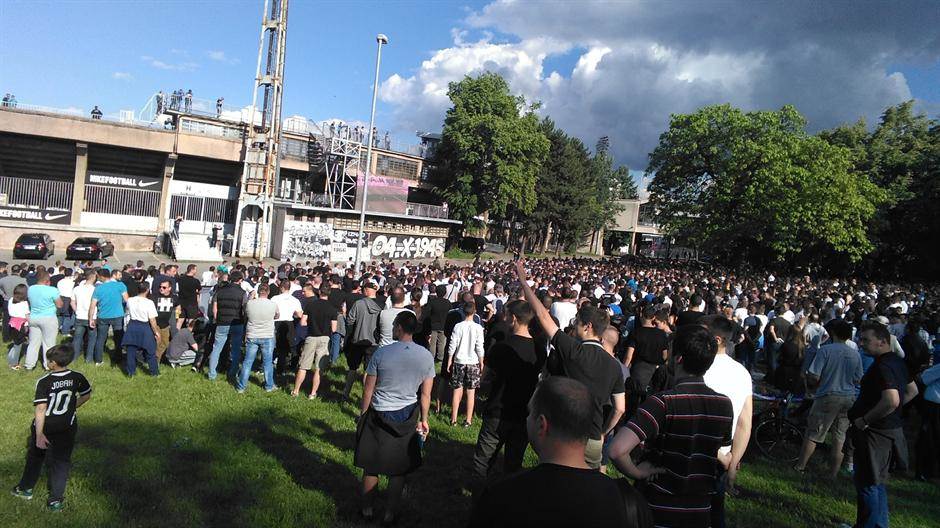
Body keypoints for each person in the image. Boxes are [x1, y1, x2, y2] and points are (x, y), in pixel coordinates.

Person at [609, 324, 734, 528]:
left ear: (678, 359)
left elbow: (617, 450)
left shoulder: (662, 403)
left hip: (657, 508)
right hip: (700, 511)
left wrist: (638, 473)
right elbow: (722, 452)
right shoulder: (724, 404)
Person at [468, 377, 631, 527]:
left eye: (530, 413)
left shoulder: (503, 497)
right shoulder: (614, 496)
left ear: (541, 424)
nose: (527, 418)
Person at [516, 260, 625, 469]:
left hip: (565, 435)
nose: (574, 326)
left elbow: (542, 316)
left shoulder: (574, 351)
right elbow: (620, 409)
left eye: (577, 322)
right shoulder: (614, 366)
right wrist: (603, 433)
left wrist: (524, 282)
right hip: (593, 438)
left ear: (588, 327)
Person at [354, 311, 435, 525]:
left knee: (372, 465)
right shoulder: (425, 355)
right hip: (407, 413)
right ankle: (390, 514)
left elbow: (368, 389)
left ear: (398, 328)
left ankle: (367, 510)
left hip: (379, 411)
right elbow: (426, 394)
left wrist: (363, 414)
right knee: (398, 469)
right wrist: (424, 418)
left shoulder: (382, 353)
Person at [847, 322, 919, 528]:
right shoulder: (897, 362)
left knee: (867, 482)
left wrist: (866, 419)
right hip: (888, 428)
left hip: (874, 432)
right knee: (877, 481)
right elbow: (912, 391)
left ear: (883, 341)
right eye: (860, 339)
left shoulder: (883, 366)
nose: (861, 344)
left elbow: (892, 399)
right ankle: (879, 524)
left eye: (866, 340)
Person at [11, 344, 92, 511]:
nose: (47, 363)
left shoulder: (44, 381)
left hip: (46, 426)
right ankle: (55, 500)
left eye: (49, 360)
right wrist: (72, 407)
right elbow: (86, 395)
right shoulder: (77, 377)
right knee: (61, 462)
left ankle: (26, 488)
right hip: (67, 426)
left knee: (35, 456)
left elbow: (41, 408)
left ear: (54, 363)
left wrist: (39, 433)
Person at [471, 300, 544, 481]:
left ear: (513, 318)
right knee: (513, 464)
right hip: (524, 413)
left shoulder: (501, 347)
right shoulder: (540, 349)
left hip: (498, 411)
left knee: (483, 461)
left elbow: (485, 377)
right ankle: (509, 502)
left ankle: (480, 500)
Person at [701, 315, 753, 528]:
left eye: (701, 332)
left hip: (703, 452)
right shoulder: (742, 372)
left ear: (717, 339)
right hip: (723, 455)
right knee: (715, 513)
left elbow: (744, 421)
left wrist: (730, 462)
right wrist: (732, 463)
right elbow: (745, 423)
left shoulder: (700, 367)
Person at [795, 319, 862, 478]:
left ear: (833, 333)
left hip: (828, 395)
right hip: (849, 397)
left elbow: (814, 376)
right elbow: (858, 378)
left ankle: (800, 466)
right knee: (840, 436)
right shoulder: (854, 353)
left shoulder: (825, 351)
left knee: (814, 432)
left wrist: (815, 382)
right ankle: (833, 473)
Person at [446, 301, 485, 427]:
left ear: (463, 311)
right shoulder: (478, 328)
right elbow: (480, 347)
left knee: (457, 391)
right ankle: (468, 420)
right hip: (473, 361)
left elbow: (453, 344)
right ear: (474, 312)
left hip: (459, 360)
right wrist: (481, 361)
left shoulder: (458, 326)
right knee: (471, 392)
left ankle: (453, 419)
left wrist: (449, 359)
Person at [293, 284, 336, 399]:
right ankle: (312, 393)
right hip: (325, 338)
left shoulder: (311, 305)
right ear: (329, 293)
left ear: (319, 292)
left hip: (311, 336)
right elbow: (334, 329)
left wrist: (311, 324)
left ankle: (296, 390)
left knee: (303, 365)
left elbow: (302, 322)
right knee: (318, 367)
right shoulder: (332, 308)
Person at [343, 280, 383, 401]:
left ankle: (346, 393)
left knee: (353, 368)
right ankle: (366, 397)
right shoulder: (383, 306)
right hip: (374, 342)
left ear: (366, 289)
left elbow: (349, 321)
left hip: (358, 340)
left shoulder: (358, 303)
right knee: (369, 370)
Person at [238, 283, 278, 393]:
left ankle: (241, 386)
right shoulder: (273, 304)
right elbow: (277, 315)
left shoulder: (250, 304)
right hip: (267, 335)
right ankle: (269, 386)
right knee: (267, 362)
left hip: (252, 334)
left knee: (247, 361)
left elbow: (245, 313)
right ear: (268, 292)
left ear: (258, 291)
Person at [207, 270, 247, 381]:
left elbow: (215, 309)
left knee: (216, 348)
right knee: (235, 350)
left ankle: (212, 374)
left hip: (222, 322)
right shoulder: (243, 293)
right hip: (237, 323)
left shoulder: (220, 291)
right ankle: (232, 373)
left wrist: (217, 319)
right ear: (240, 280)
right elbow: (245, 309)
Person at [89, 268, 128, 365]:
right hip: (118, 315)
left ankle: (98, 360)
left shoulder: (98, 288)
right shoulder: (120, 285)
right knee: (118, 338)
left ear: (102, 277)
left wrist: (90, 318)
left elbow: (93, 305)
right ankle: (118, 359)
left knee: (101, 338)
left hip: (103, 316)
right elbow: (127, 300)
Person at [25, 269, 63, 370]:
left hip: (34, 317)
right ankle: (48, 365)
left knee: (33, 343)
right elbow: (59, 305)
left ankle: (29, 364)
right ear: (47, 280)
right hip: (48, 317)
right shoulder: (52, 290)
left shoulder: (31, 289)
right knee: (49, 343)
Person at [122, 282, 160, 377]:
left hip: (133, 325)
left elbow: (127, 312)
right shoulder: (149, 302)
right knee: (150, 350)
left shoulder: (130, 300)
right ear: (147, 290)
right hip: (144, 326)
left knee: (131, 351)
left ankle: (131, 372)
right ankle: (154, 372)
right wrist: (156, 332)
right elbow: (152, 320)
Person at [271, 279, 303, 379]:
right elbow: (299, 314)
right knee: (290, 347)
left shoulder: (275, 298)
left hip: (277, 322)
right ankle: (292, 367)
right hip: (289, 322)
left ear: (281, 287)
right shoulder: (294, 300)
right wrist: (294, 314)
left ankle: (277, 368)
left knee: (278, 347)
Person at [70, 270, 97, 363]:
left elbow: (72, 302)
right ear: (93, 277)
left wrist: (76, 310)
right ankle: (89, 359)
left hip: (79, 316)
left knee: (77, 338)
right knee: (91, 339)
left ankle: (74, 358)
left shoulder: (77, 288)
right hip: (92, 317)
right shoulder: (95, 289)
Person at [153, 279, 180, 363]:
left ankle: (157, 358)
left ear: (169, 288)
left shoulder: (174, 297)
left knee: (165, 343)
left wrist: (176, 317)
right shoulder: (154, 297)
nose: (161, 289)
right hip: (155, 324)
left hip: (166, 324)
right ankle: (154, 361)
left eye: (164, 287)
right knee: (156, 342)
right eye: (160, 287)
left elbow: (178, 306)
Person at [6, 284, 29, 369]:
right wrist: (29, 324)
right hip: (20, 325)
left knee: (15, 343)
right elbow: (26, 316)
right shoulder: (24, 303)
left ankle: (10, 359)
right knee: (18, 345)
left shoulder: (11, 300)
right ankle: (14, 364)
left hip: (12, 323)